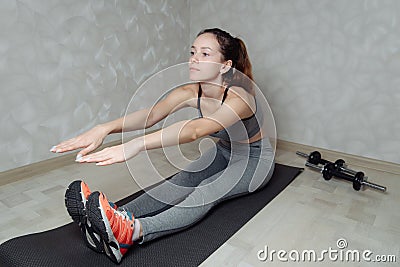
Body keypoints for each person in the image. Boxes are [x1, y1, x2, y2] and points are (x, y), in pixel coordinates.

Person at [51, 28, 275, 263]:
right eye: (192, 51)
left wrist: (135, 145)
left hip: (255, 159)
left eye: (205, 54)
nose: (194, 59)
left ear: (225, 65)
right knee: (182, 179)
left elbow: (195, 130)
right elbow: (151, 115)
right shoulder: (191, 92)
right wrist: (104, 128)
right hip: (223, 151)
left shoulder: (240, 96)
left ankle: (132, 232)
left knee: (208, 188)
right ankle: (113, 217)